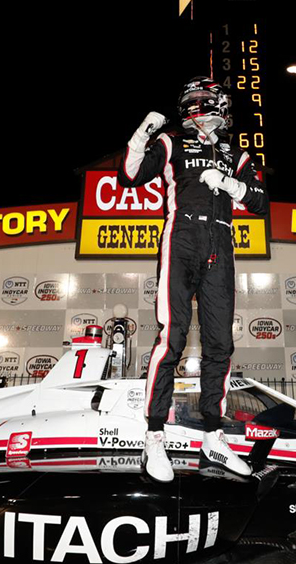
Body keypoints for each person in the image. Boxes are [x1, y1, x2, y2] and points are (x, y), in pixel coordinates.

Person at [117, 77, 269, 481]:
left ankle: (213, 437)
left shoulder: (236, 152)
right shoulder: (171, 142)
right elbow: (129, 176)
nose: (218, 106)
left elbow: (260, 202)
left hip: (222, 240)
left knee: (221, 344)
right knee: (173, 336)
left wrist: (230, 184)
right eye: (213, 100)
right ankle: (153, 435)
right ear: (201, 103)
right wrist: (140, 136)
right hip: (181, 237)